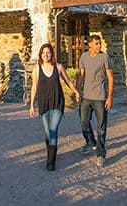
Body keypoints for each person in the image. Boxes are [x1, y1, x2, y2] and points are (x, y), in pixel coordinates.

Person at [29, 43, 81, 171]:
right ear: (41, 55)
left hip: (57, 102)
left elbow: (68, 81)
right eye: (43, 53)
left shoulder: (58, 67)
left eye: (48, 52)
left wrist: (76, 91)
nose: (46, 55)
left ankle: (50, 162)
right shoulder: (37, 69)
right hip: (43, 103)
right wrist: (31, 105)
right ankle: (50, 150)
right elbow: (34, 87)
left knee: (53, 130)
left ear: (52, 54)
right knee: (47, 132)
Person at [76, 34, 114, 167]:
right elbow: (81, 75)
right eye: (96, 43)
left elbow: (110, 77)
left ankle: (101, 154)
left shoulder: (105, 57)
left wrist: (109, 97)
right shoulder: (84, 57)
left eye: (100, 43)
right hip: (86, 97)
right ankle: (91, 143)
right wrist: (77, 91)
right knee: (83, 123)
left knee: (101, 128)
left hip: (100, 97)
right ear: (90, 45)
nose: (99, 46)